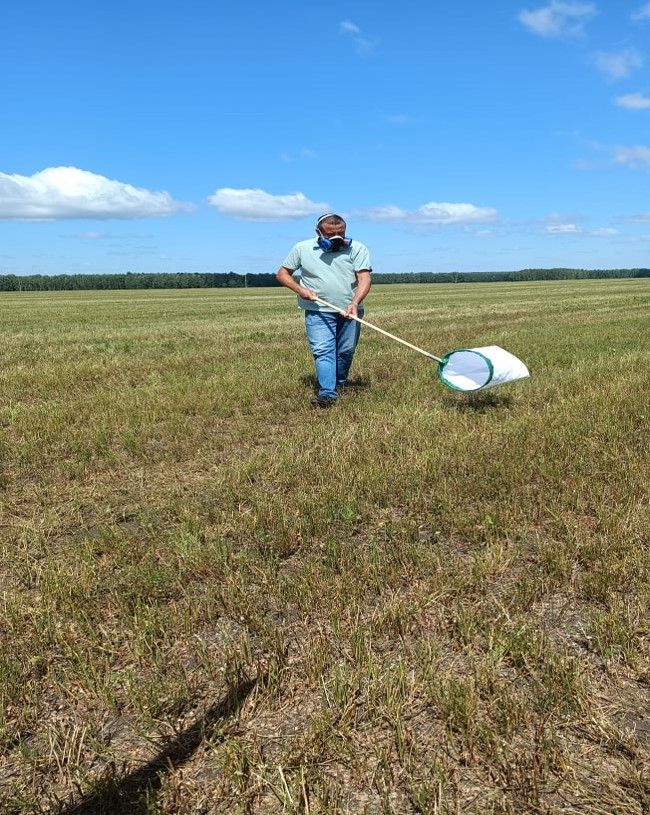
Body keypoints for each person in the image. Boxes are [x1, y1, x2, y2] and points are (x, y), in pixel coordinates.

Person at [276, 213, 372, 407]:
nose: (337, 238)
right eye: (330, 234)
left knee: (345, 351)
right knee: (323, 350)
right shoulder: (302, 248)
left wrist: (354, 302)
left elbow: (364, 278)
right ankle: (327, 393)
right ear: (318, 232)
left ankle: (339, 383)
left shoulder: (358, 248)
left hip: (350, 310)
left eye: (341, 233)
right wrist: (300, 289)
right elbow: (282, 274)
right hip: (318, 310)